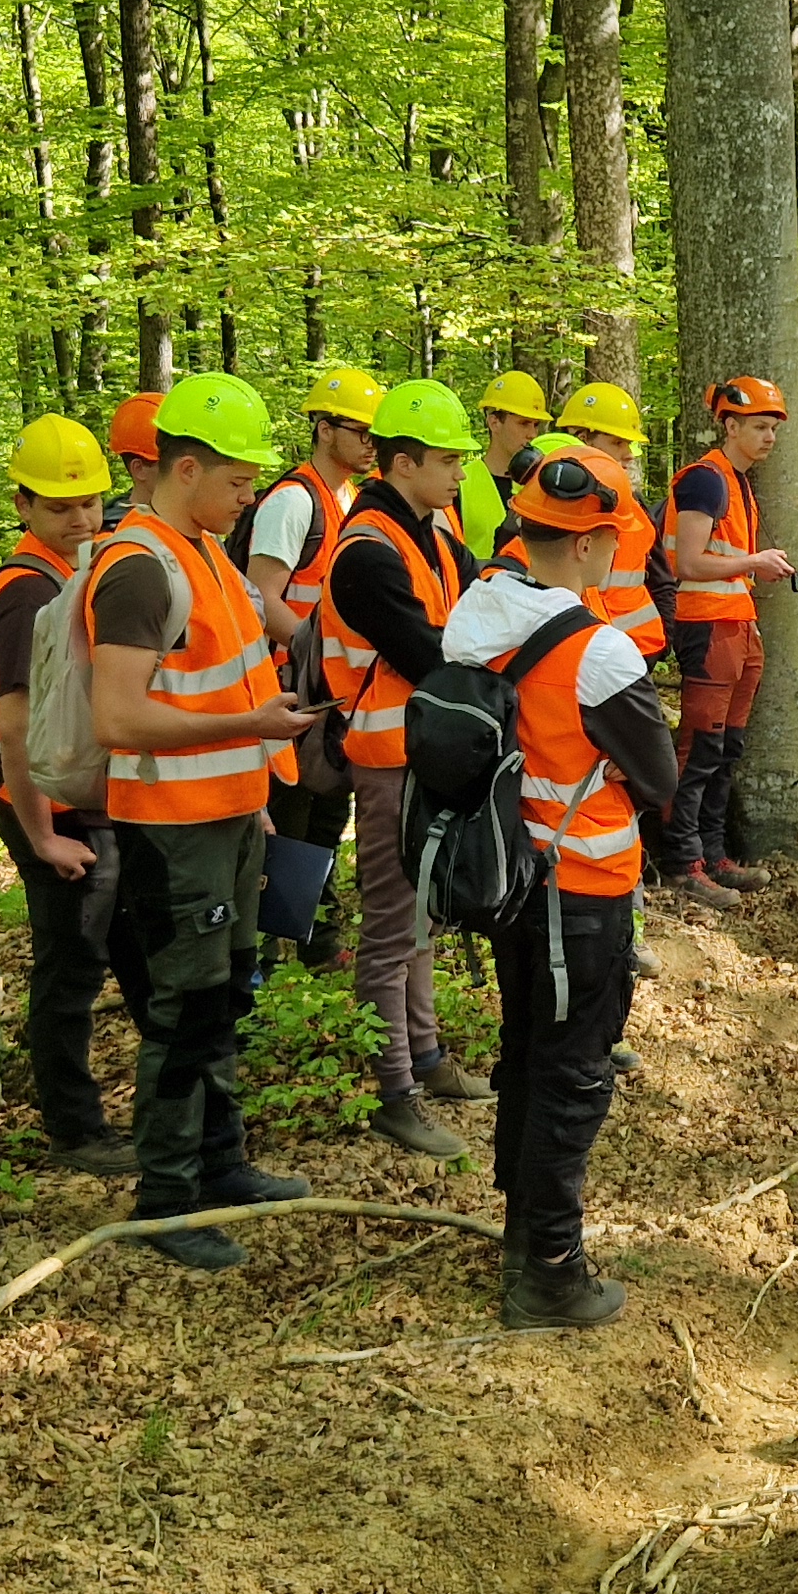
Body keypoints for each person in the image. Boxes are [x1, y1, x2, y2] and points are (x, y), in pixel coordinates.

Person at [440, 449, 679, 1328]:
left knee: (526, 1052)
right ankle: (548, 1269)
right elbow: (659, 776)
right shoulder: (598, 652)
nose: (623, 551)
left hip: (507, 878)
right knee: (575, 1074)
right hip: (580, 886)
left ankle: (523, 1235)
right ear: (586, 545)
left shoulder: (474, 610)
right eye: (616, 538)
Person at [84, 372, 320, 1244]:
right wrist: (249, 729)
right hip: (171, 829)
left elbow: (222, 684)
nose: (251, 496)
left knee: (223, 999)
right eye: (238, 480)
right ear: (186, 470)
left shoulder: (208, 554)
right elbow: (118, 717)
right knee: (183, 1011)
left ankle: (222, 1163)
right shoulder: (139, 569)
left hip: (230, 814)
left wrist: (253, 785)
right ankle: (168, 1199)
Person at [323, 378, 489, 1163]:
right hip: (388, 759)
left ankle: (425, 1057)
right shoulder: (367, 551)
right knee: (393, 926)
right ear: (403, 463)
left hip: (423, 754)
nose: (460, 473)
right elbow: (432, 654)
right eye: (448, 461)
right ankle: (394, 1093)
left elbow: (481, 600)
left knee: (423, 916)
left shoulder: (429, 532)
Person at [0, 413, 140, 1178]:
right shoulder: (25, 593)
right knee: (70, 970)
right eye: (59, 506)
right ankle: (74, 1129)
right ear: (23, 505)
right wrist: (43, 835)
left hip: (90, 801)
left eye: (90, 503)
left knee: (118, 953)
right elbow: (14, 727)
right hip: (51, 809)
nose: (80, 518)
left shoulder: (79, 573)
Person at [244, 367, 379, 972]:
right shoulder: (293, 501)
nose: (372, 444)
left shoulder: (350, 499)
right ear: (324, 429)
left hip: (332, 693)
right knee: (288, 819)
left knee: (328, 814)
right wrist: (314, 653)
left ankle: (316, 939)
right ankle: (268, 951)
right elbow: (261, 597)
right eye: (360, 431)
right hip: (290, 690)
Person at [667, 376, 798, 907]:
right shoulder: (705, 480)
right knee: (700, 747)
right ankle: (682, 862)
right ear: (729, 426)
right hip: (707, 627)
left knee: (726, 750)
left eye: (773, 429)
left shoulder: (737, 482)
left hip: (739, 626)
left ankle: (714, 854)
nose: (770, 438)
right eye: (760, 427)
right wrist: (754, 562)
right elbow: (688, 562)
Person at [458, 370, 551, 561]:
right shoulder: (460, 483)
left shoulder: (542, 484)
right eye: (523, 423)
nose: (532, 434)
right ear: (494, 422)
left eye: (536, 425)